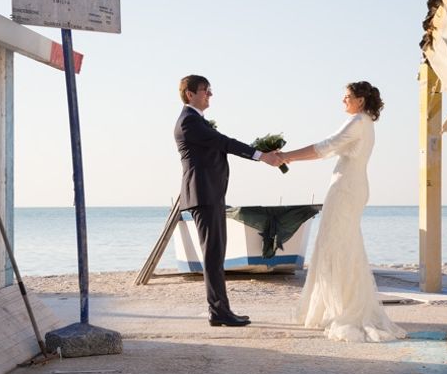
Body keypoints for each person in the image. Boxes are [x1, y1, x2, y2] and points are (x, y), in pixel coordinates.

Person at [280, 81, 407, 342]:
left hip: (346, 189)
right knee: (341, 246)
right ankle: (335, 305)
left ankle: (344, 309)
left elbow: (325, 147)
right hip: (354, 186)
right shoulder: (366, 123)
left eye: (347, 96)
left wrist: (286, 156)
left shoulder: (358, 122)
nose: (343, 101)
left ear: (360, 100)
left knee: (336, 247)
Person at [174, 74, 282, 327]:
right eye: (205, 90)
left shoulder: (196, 121)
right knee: (213, 256)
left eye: (210, 90)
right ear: (190, 94)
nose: (210, 95)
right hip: (203, 195)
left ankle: (220, 310)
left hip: (211, 195)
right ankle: (219, 312)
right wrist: (261, 156)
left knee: (216, 254)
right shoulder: (189, 122)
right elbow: (224, 143)